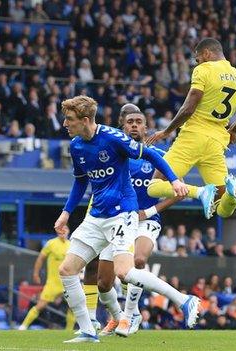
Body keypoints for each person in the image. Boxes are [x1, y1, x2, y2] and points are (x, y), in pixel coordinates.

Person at [54, 95, 192, 343]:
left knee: (125, 271)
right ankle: (88, 330)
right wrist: (65, 213)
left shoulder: (112, 138)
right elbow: (80, 181)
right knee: (67, 269)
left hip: (122, 213)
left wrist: (174, 180)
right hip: (97, 215)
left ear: (85, 120)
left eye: (70, 119)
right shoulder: (76, 146)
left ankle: (184, 300)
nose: (65, 124)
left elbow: (152, 155)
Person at [147, 38, 236, 220]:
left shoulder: (203, 70)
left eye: (197, 59)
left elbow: (189, 107)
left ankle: (201, 192)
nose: (198, 62)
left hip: (193, 136)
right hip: (217, 142)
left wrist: (166, 131)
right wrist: (234, 130)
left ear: (206, 53)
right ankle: (232, 194)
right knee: (222, 208)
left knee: (153, 186)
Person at [19, 226, 74, 331]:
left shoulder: (71, 245)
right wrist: (36, 274)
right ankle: (23, 326)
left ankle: (69, 331)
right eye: (61, 229)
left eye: (65, 229)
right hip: (53, 283)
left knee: (73, 307)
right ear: (57, 231)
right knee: (40, 305)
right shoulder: (51, 243)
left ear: (68, 231)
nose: (63, 231)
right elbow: (40, 258)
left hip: (67, 282)